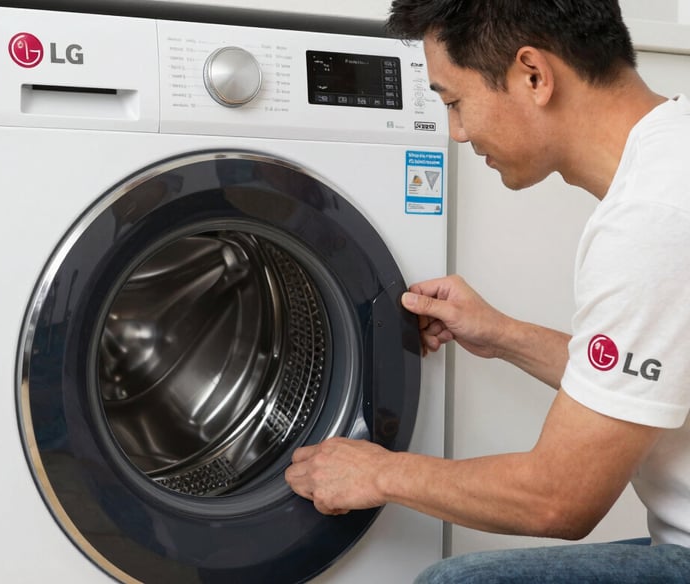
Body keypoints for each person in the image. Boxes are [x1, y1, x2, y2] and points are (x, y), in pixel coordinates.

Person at [284, 0, 690, 581]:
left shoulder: (653, 219)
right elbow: (648, 381)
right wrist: (501, 334)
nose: (456, 132)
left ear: (533, 75)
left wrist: (379, 473)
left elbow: (558, 499)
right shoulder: (674, 159)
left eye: (454, 101)